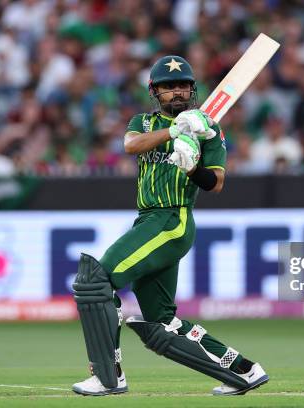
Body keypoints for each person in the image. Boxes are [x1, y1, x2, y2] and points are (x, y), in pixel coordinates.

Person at [71, 55, 269, 396]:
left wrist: (192, 167)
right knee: (162, 322)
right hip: (148, 220)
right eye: (167, 87)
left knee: (96, 280)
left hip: (172, 219)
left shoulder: (209, 129)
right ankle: (243, 369)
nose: (176, 92)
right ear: (154, 92)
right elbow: (131, 145)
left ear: (192, 90)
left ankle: (107, 376)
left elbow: (216, 183)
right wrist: (176, 131)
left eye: (182, 86)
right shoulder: (144, 123)